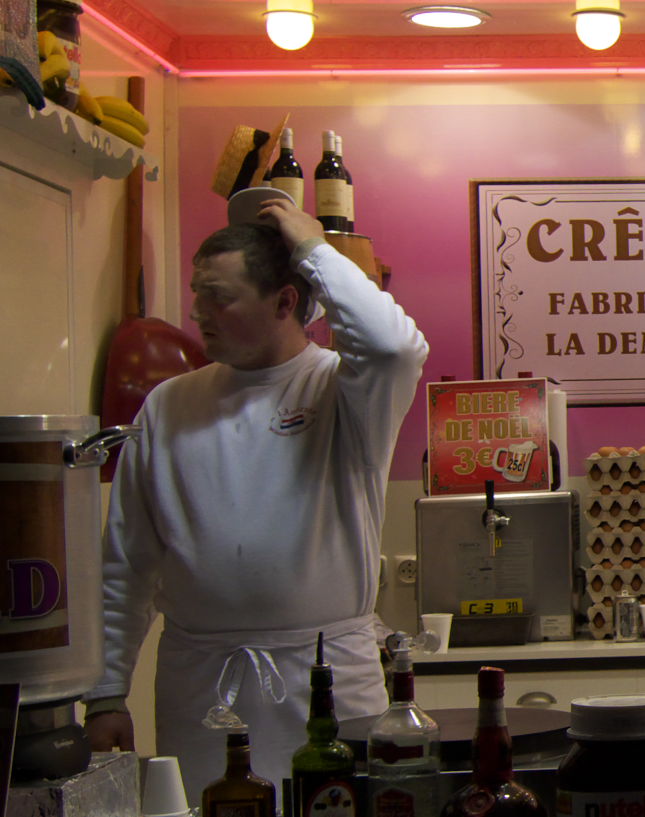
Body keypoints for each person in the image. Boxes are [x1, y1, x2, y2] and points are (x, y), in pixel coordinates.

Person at [83, 198, 429, 793]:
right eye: (196, 294)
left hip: (328, 679)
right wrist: (107, 690)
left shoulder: (342, 391)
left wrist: (311, 245)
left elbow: (393, 347)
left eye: (219, 295)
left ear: (285, 302)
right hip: (202, 683)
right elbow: (127, 560)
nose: (199, 312)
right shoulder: (168, 405)